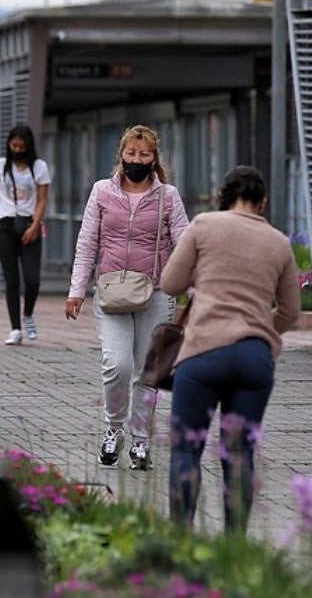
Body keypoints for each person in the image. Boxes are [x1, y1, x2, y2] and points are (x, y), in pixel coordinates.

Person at [160, 166, 300, 534]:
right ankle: (235, 544)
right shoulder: (279, 242)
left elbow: (170, 282)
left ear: (222, 195)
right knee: (239, 455)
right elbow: (291, 311)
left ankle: (180, 539)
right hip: (254, 359)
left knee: (186, 449)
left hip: (203, 352)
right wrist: (259, 331)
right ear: (262, 200)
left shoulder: (204, 225)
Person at [66, 125, 189, 471]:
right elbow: (87, 242)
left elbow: (184, 245)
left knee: (148, 373)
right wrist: (76, 290)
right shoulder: (102, 192)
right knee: (117, 365)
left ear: (154, 159)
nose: (137, 160)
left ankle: (140, 441)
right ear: (121, 155)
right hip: (111, 292)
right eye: (132, 154)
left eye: (145, 154)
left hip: (158, 292)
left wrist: (195, 290)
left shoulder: (169, 196)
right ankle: (113, 428)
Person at [0, 124, 51, 345]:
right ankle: (15, 328)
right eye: (13, 145)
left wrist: (35, 226)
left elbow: (42, 200)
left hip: (29, 223)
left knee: (32, 280)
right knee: (11, 281)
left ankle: (28, 314)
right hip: (5, 224)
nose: (17, 149)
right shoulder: (0, 166)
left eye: (21, 146)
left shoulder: (39, 167)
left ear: (28, 146)